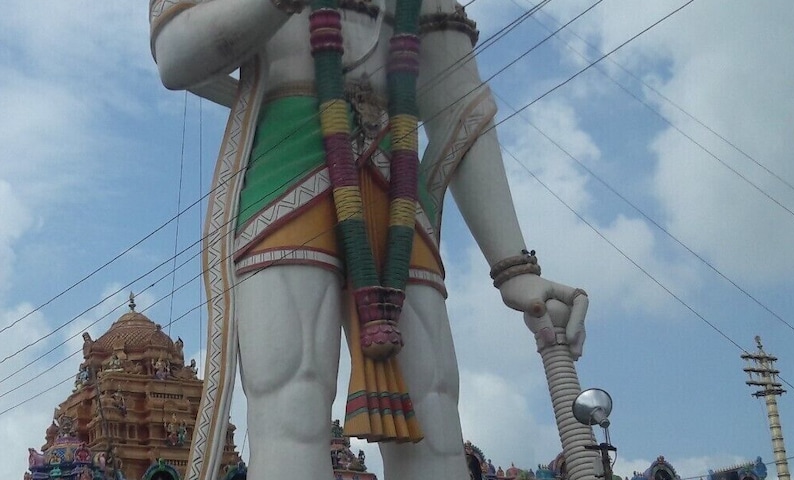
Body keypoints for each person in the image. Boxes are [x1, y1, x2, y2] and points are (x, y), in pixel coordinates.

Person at [149, 0, 588, 478]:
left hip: (396, 175)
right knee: (291, 401)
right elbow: (176, 53)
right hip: (290, 169)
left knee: (433, 410)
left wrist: (515, 270)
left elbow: (458, 103)